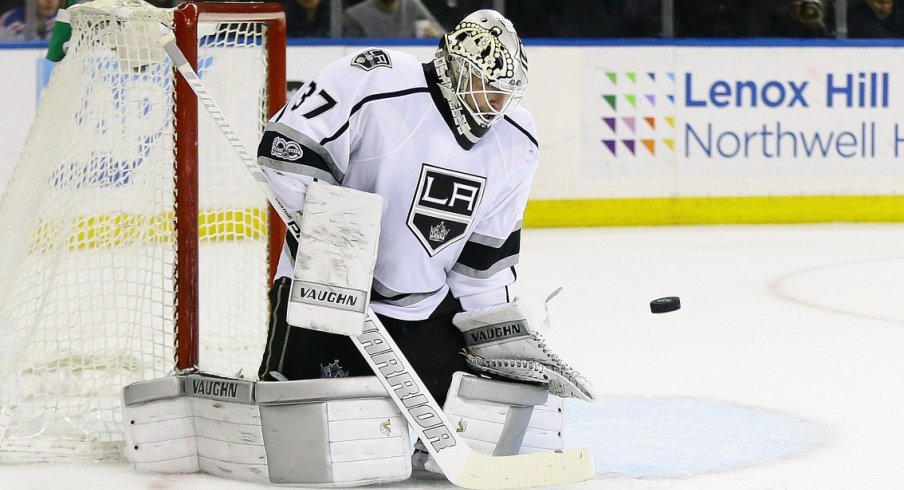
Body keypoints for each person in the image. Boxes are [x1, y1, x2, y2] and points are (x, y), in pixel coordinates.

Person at [256, 9, 592, 408]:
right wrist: (343, 256)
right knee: (295, 420)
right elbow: (285, 155)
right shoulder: (375, 78)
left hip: (423, 312)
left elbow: (483, 261)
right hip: (325, 299)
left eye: (507, 90)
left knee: (470, 419)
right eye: (486, 85)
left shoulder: (517, 140)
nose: (498, 102)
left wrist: (498, 335)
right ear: (452, 67)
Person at [343, 0, 443, 38]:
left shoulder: (412, 5)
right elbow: (349, 49)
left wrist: (435, 34)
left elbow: (443, 36)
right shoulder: (355, 14)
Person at [761, 0, 835, 37]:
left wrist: (814, 27)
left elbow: (831, 40)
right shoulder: (779, 17)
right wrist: (791, 18)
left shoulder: (824, 14)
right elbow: (767, 40)